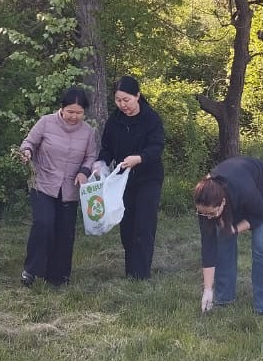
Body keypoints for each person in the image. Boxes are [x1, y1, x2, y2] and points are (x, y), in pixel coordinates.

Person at [18, 86, 99, 288]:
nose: (74, 116)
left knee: (65, 232)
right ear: (61, 108)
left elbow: (91, 156)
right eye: (70, 111)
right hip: (43, 183)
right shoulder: (46, 122)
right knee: (44, 224)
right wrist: (26, 152)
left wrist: (84, 171)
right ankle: (31, 271)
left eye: (79, 113)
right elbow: (29, 142)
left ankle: (58, 276)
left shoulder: (88, 132)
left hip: (70, 188)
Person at [193, 155, 263, 315]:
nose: (208, 218)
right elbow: (208, 247)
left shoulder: (244, 190)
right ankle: (224, 299)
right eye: (203, 213)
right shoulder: (205, 201)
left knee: (261, 245)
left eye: (211, 214)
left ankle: (262, 307)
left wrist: (234, 229)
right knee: (222, 240)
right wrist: (207, 289)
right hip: (238, 191)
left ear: (222, 203)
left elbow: (259, 215)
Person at [97, 75, 165, 279]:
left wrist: (140, 158)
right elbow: (107, 148)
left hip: (148, 177)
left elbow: (156, 147)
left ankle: (141, 274)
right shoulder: (114, 121)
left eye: (126, 100)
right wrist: (100, 163)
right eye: (118, 100)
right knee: (127, 223)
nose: (123, 105)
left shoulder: (151, 118)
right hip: (123, 180)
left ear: (137, 96)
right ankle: (130, 271)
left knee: (144, 223)